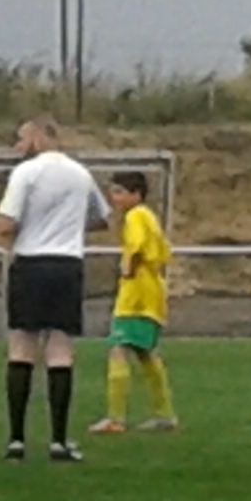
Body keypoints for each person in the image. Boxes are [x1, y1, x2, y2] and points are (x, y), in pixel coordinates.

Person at [0, 115, 110, 461]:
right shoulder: (80, 173)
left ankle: (17, 440)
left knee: (21, 348)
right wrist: (68, 227)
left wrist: (18, 238)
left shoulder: (26, 172)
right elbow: (102, 218)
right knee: (60, 350)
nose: (18, 146)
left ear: (38, 138)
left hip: (31, 263)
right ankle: (58, 441)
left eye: (21, 138)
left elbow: (5, 223)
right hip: (67, 265)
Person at [88, 170, 176, 435]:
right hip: (150, 293)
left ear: (136, 194)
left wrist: (127, 268)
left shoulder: (136, 216)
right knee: (145, 353)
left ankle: (115, 418)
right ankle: (164, 415)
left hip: (136, 296)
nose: (114, 198)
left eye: (119, 192)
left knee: (118, 348)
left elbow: (136, 247)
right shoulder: (148, 216)